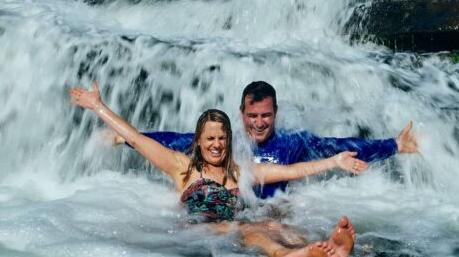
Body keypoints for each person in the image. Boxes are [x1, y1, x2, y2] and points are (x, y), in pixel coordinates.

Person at [70, 82, 366, 257]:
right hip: (195, 233)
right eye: (210, 139)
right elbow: (135, 137)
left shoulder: (241, 172)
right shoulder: (181, 167)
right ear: (198, 142)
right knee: (247, 228)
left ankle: (325, 250)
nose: (216, 145)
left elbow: (294, 171)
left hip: (229, 234)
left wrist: (335, 161)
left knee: (275, 225)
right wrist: (97, 106)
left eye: (222, 138)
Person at [143, 81, 419, 198]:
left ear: (275, 113)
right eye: (252, 116)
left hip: (274, 214)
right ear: (241, 114)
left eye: (266, 115)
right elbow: (174, 142)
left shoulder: (293, 142)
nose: (259, 123)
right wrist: (130, 139)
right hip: (232, 215)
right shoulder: (224, 142)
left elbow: (339, 146)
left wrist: (394, 145)